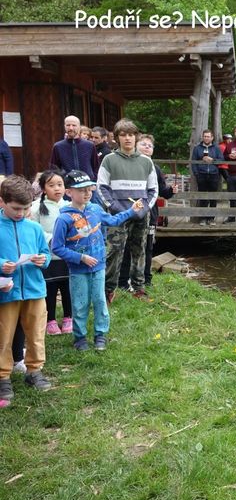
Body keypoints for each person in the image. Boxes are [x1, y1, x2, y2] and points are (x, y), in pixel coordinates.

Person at [52, 170, 142, 351]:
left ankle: (100, 335)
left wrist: (131, 211)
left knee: (100, 301)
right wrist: (80, 258)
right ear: (69, 192)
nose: (87, 193)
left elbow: (113, 220)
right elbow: (57, 247)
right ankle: (80, 337)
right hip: (78, 270)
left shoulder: (95, 209)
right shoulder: (64, 219)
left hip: (99, 267)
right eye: (81, 190)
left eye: (89, 189)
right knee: (80, 304)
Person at [0, 175, 52, 403]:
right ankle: (3, 377)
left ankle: (34, 371)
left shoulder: (34, 228)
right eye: (16, 208)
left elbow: (46, 253)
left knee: (36, 333)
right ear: (2, 201)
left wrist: (43, 260)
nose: (21, 213)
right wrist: (2, 264)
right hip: (6, 292)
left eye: (26, 208)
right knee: (3, 335)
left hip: (34, 289)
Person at [97, 118, 157, 303]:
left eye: (131, 134)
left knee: (139, 250)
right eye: (123, 135)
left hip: (141, 214)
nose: (128, 138)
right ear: (117, 138)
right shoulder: (109, 159)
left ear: (136, 137)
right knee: (114, 251)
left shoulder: (146, 161)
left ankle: (139, 288)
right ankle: (108, 290)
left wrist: (144, 208)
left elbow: (153, 189)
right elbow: (101, 187)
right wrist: (115, 207)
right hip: (117, 215)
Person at [119, 134, 175, 288]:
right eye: (143, 144)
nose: (147, 147)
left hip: (150, 213)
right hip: (128, 211)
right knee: (126, 246)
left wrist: (171, 190)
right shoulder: (126, 164)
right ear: (136, 146)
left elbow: (163, 191)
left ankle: (146, 279)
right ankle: (123, 281)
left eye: (150, 146)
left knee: (147, 246)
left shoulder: (155, 168)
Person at [30, 170, 72, 335]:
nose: (57, 188)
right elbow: (35, 229)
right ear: (43, 188)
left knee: (67, 288)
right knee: (51, 289)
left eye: (60, 184)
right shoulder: (36, 207)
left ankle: (69, 317)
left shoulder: (69, 206)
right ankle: (51, 320)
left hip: (67, 256)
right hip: (49, 257)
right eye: (51, 185)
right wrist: (52, 239)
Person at [49, 115, 100, 181]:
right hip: (68, 184)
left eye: (74, 125)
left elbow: (96, 166)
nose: (71, 128)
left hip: (88, 184)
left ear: (79, 127)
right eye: (68, 125)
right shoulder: (58, 146)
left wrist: (94, 181)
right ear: (64, 126)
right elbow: (54, 169)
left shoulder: (89, 145)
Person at [192, 129, 223, 226]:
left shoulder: (216, 148)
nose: (206, 138)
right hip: (201, 174)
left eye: (208, 136)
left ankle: (211, 219)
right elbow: (193, 162)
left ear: (212, 138)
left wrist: (212, 160)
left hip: (214, 175)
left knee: (213, 198)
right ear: (202, 137)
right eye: (205, 136)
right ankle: (203, 218)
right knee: (203, 198)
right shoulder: (197, 148)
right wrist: (196, 174)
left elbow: (221, 160)